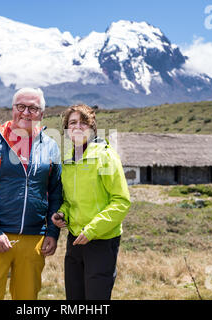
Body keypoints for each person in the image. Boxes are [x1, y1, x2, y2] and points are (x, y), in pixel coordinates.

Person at [0, 87, 62, 300]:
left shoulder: (51, 147)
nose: (26, 113)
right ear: (13, 109)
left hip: (34, 239)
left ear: (42, 114)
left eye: (33, 108)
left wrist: (52, 233)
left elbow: (56, 194)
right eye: (21, 106)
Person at [51, 104, 131, 300]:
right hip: (75, 240)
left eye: (83, 122)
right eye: (72, 123)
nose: (78, 127)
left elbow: (121, 201)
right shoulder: (69, 161)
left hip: (101, 240)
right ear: (67, 130)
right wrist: (62, 214)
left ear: (92, 127)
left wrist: (92, 230)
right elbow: (70, 202)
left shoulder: (105, 156)